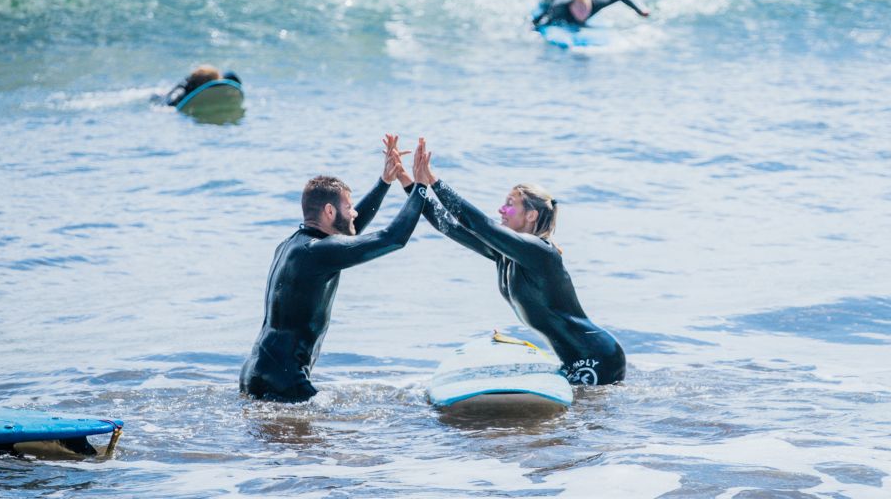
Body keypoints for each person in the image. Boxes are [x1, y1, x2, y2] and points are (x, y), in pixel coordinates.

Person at [398, 138, 626, 386]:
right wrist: (409, 183)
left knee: (583, 422)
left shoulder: (541, 253)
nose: (500, 210)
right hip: (573, 357)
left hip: (597, 357)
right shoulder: (504, 254)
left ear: (531, 215)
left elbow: (479, 224)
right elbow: (449, 226)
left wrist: (433, 180)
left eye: (509, 204)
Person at [239, 136, 432, 402]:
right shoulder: (317, 252)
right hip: (285, 377)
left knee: (282, 441)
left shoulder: (293, 246)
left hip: (256, 370)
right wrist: (420, 186)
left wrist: (384, 182)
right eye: (349, 207)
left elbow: (350, 234)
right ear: (329, 211)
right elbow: (392, 238)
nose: (354, 213)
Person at [532, 0, 649, 29]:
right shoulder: (561, 9)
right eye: (579, 9)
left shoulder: (594, 4)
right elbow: (542, 18)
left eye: (585, 9)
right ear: (571, 6)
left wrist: (640, 11)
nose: (583, 14)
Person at [154, 65, 243, 107]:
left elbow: (237, 85)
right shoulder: (184, 89)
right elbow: (170, 103)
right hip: (165, 95)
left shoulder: (224, 78)